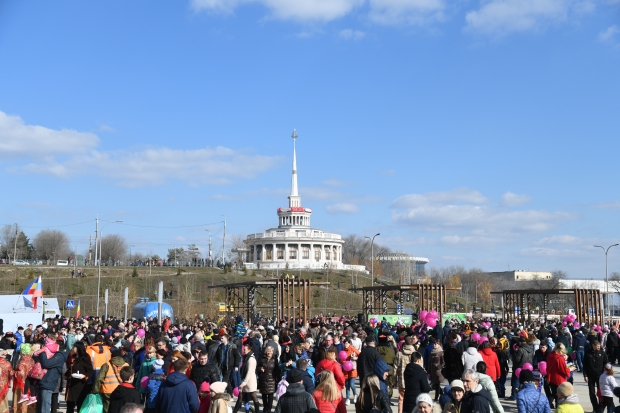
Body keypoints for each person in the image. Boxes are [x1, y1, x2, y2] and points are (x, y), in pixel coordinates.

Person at [38, 340, 68, 413]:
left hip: (48, 382)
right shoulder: (53, 354)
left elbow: (46, 363)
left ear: (57, 346)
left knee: (45, 406)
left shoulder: (59, 356)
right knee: (41, 405)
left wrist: (42, 352)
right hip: (44, 382)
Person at [65, 341, 94, 413]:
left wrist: (85, 376)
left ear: (78, 348)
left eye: (74, 347)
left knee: (80, 406)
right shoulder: (73, 356)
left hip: (80, 385)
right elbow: (70, 368)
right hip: (71, 385)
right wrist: (66, 375)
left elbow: (90, 371)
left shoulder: (85, 357)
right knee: (69, 406)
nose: (73, 348)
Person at [233, 339, 260, 413]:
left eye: (244, 349)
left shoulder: (251, 359)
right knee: (240, 397)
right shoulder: (247, 357)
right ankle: (234, 411)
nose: (243, 351)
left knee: (254, 396)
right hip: (246, 380)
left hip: (250, 381)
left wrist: (243, 383)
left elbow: (249, 372)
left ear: (249, 349)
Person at [584, 340, 607, 413]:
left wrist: (606, 374)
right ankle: (595, 407)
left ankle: (600, 407)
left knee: (600, 392)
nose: (598, 347)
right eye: (597, 346)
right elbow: (585, 365)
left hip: (600, 375)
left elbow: (606, 364)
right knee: (592, 392)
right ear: (593, 346)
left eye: (599, 346)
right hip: (590, 375)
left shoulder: (602, 353)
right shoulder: (588, 353)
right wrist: (585, 375)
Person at [396, 336, 417, 413]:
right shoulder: (415, 353)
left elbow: (396, 367)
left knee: (401, 398)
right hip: (413, 379)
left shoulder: (399, 354)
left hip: (402, 379)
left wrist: (395, 379)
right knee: (411, 398)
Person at [546, 342, 570, 407]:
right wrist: (569, 369)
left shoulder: (550, 355)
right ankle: (554, 406)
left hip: (551, 377)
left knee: (554, 393)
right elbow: (563, 369)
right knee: (559, 395)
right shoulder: (559, 358)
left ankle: (552, 404)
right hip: (559, 379)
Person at [258, 346, 278, 413]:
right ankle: (265, 408)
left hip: (271, 379)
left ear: (272, 352)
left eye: (270, 351)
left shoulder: (275, 359)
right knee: (263, 395)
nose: (269, 352)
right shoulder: (262, 359)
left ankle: (269, 409)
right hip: (263, 379)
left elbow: (277, 369)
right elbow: (257, 367)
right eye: (268, 351)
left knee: (270, 395)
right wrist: (260, 369)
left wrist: (277, 378)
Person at [342, 337, 360, 405]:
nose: (345, 344)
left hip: (353, 369)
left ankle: (355, 394)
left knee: (351, 384)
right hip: (346, 370)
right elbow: (341, 359)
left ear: (349, 343)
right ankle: (348, 398)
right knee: (347, 385)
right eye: (344, 343)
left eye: (347, 343)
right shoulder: (343, 350)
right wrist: (343, 362)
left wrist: (356, 358)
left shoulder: (352, 349)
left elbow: (359, 354)